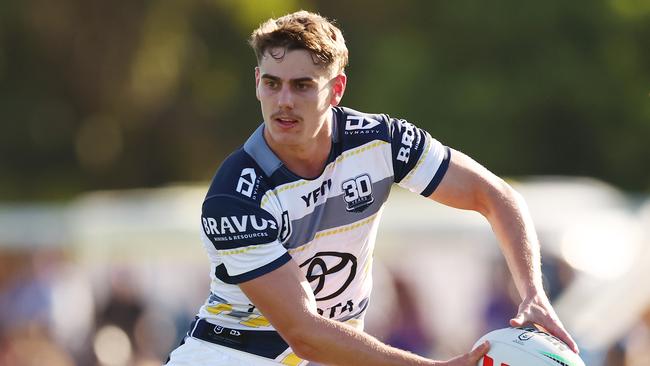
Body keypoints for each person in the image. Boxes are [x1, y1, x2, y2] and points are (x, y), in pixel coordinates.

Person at [165, 10, 579, 366]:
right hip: (231, 356)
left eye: (303, 85)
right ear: (257, 82)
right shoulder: (233, 197)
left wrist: (534, 295)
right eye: (272, 84)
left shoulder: (382, 141)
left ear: (337, 89)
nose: (284, 101)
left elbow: (496, 196)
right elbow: (303, 332)